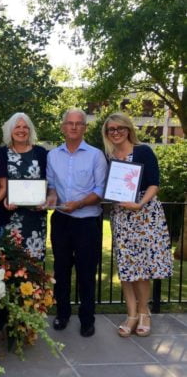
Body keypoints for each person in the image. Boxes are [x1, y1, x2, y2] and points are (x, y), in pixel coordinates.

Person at [102, 112, 173, 337]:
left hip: (145, 214)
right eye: (111, 129)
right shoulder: (109, 156)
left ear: (129, 129)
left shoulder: (143, 151)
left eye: (119, 128)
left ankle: (144, 312)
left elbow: (154, 184)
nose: (115, 132)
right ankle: (131, 314)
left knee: (142, 267)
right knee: (126, 267)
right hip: (122, 217)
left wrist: (139, 203)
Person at [45, 108, 107, 337]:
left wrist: (79, 204)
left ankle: (87, 319)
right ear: (62, 127)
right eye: (69, 123)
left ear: (85, 128)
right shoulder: (53, 155)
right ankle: (62, 314)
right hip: (61, 220)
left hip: (87, 221)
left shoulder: (96, 155)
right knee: (61, 271)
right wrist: (52, 197)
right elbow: (52, 186)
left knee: (86, 272)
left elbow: (100, 190)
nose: (73, 127)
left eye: (78, 123)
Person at [1, 113, 48, 259]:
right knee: (8, 268)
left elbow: (49, 181)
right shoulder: (1, 153)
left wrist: (46, 199)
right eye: (17, 126)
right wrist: (4, 199)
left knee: (33, 269)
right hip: (9, 219)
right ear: (10, 130)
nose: (21, 130)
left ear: (30, 130)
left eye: (25, 127)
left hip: (35, 219)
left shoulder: (40, 153)